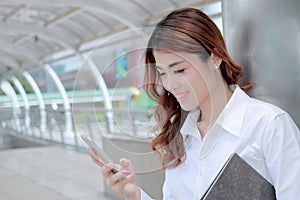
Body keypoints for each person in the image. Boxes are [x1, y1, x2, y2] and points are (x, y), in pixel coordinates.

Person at [88, 7, 300, 200]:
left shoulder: (269, 126)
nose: (170, 84)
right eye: (162, 73)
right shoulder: (181, 135)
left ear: (215, 57)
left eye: (180, 70)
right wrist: (134, 195)